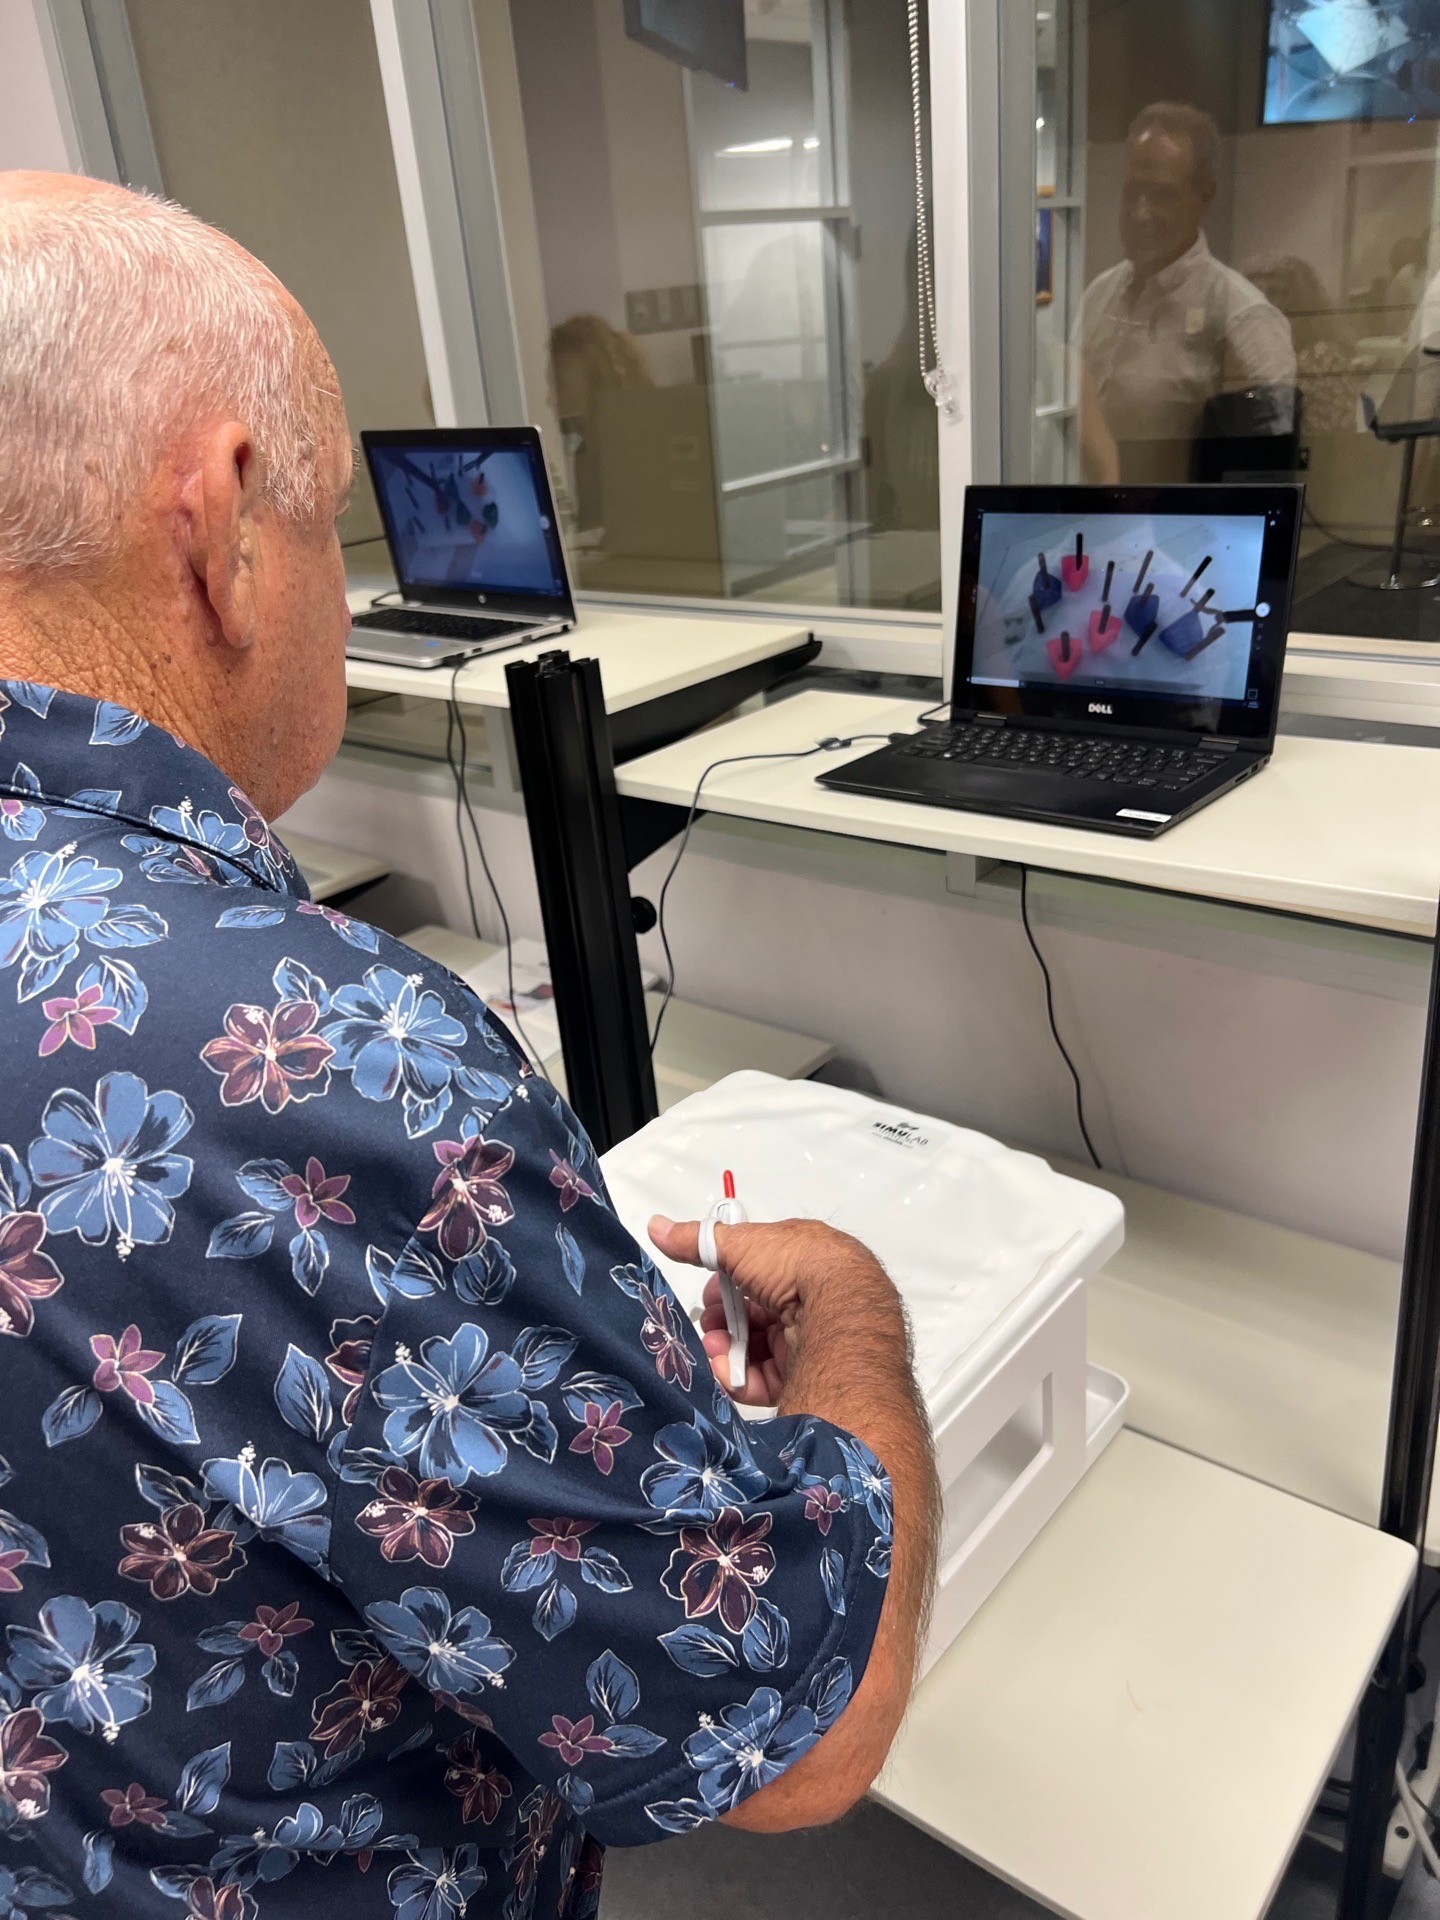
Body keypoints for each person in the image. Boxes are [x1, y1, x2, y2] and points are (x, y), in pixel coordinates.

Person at [0, 173, 938, 1920]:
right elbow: (809, 1737)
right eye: (339, 524)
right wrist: (861, 1316)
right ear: (217, 527)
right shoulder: (300, 1065)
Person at [1077, 101, 1296, 483]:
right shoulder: (1098, 296)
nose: (1140, 213)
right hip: (1089, 528)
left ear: (1204, 198)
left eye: (1160, 195)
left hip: (1183, 537)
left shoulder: (1244, 318)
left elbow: (1267, 475)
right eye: (1133, 192)